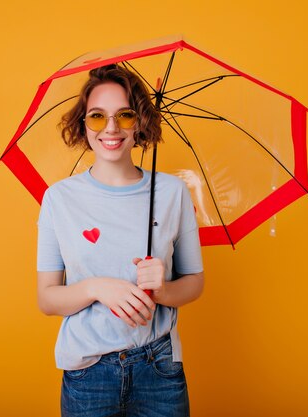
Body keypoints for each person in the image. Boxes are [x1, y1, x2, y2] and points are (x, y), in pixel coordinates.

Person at [37, 64, 204, 417]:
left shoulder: (172, 192)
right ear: (83, 124)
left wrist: (162, 291)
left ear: (140, 122)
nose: (111, 128)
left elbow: (194, 282)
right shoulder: (58, 198)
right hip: (88, 373)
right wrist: (98, 288)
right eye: (97, 116)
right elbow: (47, 298)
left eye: (124, 115)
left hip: (160, 368)